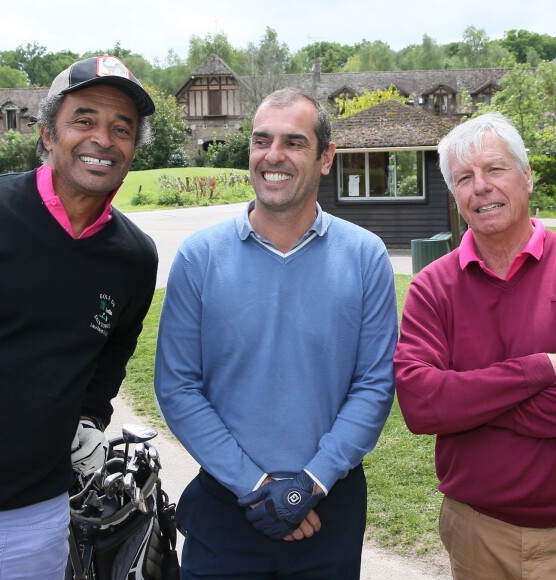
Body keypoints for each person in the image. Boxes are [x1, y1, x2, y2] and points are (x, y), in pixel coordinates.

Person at [154, 87, 398, 579]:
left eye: (293, 142)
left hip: (329, 510)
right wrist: (254, 484)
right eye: (261, 140)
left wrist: (309, 484)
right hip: (226, 507)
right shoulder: (200, 259)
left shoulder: (366, 257)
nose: (273, 156)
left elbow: (374, 384)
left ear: (326, 157)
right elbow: (177, 386)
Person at [0, 55, 158, 579]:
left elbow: (112, 355)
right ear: (48, 135)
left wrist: (87, 419)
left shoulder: (134, 257)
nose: (103, 138)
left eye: (120, 128)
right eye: (84, 120)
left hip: (32, 518)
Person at [394, 112, 556, 579]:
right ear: (456, 197)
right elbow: (422, 407)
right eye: (465, 178)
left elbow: (442, 400)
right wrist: (538, 371)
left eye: (495, 169)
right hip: (478, 533)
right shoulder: (432, 287)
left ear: (526, 177)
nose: (481, 186)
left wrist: (466, 399)